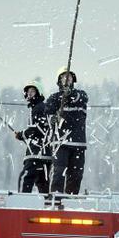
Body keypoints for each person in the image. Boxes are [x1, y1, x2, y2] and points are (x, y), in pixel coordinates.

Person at [43, 66, 89, 195]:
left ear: (73, 80)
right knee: (58, 172)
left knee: (76, 174)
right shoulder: (54, 98)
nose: (66, 79)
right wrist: (52, 119)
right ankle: (56, 198)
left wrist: (69, 94)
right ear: (59, 81)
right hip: (60, 143)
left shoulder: (81, 95)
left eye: (69, 77)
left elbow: (80, 98)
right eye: (63, 77)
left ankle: (71, 199)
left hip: (78, 144)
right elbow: (48, 113)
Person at [14, 80, 51, 193]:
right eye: (28, 92)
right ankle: (48, 207)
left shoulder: (39, 108)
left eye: (33, 91)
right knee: (43, 183)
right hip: (46, 154)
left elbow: (36, 129)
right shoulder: (40, 108)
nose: (30, 94)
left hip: (37, 154)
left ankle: (21, 204)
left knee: (25, 177)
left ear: (39, 93)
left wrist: (21, 135)